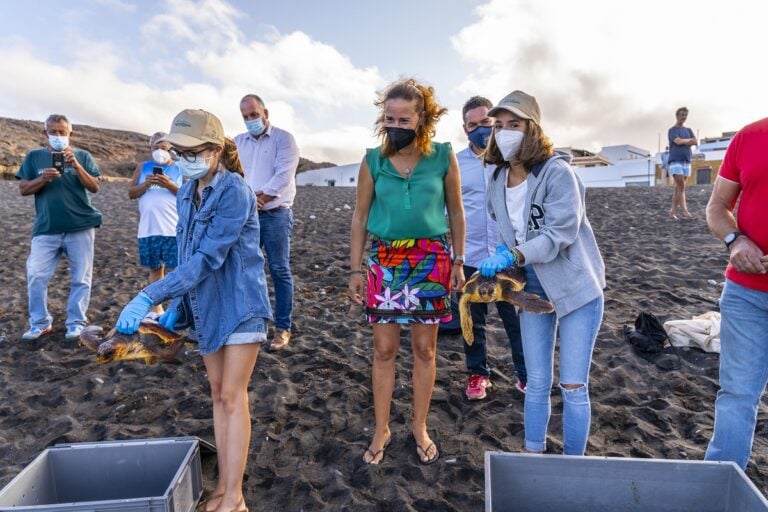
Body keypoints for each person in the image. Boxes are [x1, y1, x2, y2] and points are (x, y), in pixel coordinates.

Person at [116, 109, 271, 512]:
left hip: (240, 304)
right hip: (205, 306)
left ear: (215, 150)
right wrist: (178, 308)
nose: (184, 158)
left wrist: (150, 295)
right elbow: (185, 254)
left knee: (233, 397)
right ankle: (223, 488)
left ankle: (235, 498)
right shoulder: (186, 190)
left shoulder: (235, 191)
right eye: (178, 151)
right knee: (218, 396)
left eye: (192, 151)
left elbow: (207, 258)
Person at [480, 90, 605, 455]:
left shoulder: (558, 173)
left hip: (575, 287)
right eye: (498, 125)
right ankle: (534, 455)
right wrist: (505, 252)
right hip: (531, 286)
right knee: (536, 381)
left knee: (573, 386)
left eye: (514, 124)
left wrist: (514, 253)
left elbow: (560, 233)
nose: (504, 132)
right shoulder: (497, 178)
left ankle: (572, 464)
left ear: (532, 128)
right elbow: (504, 226)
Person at [348, 78, 466, 465]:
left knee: (425, 350)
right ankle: (381, 428)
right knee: (384, 350)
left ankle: (419, 426)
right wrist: (355, 270)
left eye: (404, 119)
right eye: (389, 118)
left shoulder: (443, 156)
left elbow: (456, 212)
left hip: (431, 259)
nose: (395, 125)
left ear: (422, 119)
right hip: (385, 260)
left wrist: (459, 261)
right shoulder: (373, 160)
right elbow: (360, 216)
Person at [704, 116, 768, 470]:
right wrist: (735, 240)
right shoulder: (749, 136)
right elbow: (717, 207)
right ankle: (718, 485)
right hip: (746, 295)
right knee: (736, 395)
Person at [457, 95, 527, 400]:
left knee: (517, 321)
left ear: (495, 122)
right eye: (473, 125)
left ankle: (526, 376)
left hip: (508, 256)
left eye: (485, 122)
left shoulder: (511, 160)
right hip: (470, 255)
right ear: (465, 129)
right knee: (473, 320)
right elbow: (449, 209)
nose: (480, 129)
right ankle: (478, 375)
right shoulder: (455, 164)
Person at [16, 114, 102, 341]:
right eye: (53, 132)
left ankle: (76, 323)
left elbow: (95, 187)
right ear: (45, 133)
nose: (58, 136)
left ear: (70, 133)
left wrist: (77, 166)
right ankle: (40, 323)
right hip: (46, 227)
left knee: (81, 278)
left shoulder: (83, 156)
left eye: (62, 132)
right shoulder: (34, 157)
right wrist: (43, 179)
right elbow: (23, 189)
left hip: (80, 225)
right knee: (36, 274)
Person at [234, 94, 300, 351]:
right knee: (245, 270)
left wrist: (260, 199)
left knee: (279, 269)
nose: (250, 120)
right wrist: (247, 202)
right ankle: (250, 324)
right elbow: (233, 175)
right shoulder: (238, 142)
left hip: (276, 214)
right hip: (247, 215)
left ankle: (283, 328)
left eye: (254, 114)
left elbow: (284, 175)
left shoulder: (284, 139)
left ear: (265, 113)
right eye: (245, 116)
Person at [127, 131, 183, 315]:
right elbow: (132, 193)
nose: (160, 151)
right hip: (149, 228)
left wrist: (169, 185)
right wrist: (146, 184)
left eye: (164, 147)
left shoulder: (180, 168)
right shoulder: (143, 167)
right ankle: (157, 308)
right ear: (150, 148)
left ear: (171, 149)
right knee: (155, 269)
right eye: (156, 147)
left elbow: (187, 195)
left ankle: (178, 307)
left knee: (179, 270)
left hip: (174, 228)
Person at [668, 107, 697, 219]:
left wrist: (684, 141)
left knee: (678, 187)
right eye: (682, 115)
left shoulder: (688, 130)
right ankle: (685, 211)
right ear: (677, 116)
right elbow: (677, 141)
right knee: (681, 185)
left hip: (686, 160)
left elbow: (695, 141)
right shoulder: (672, 130)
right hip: (675, 160)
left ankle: (672, 212)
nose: (684, 117)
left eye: (685, 115)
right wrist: (688, 141)